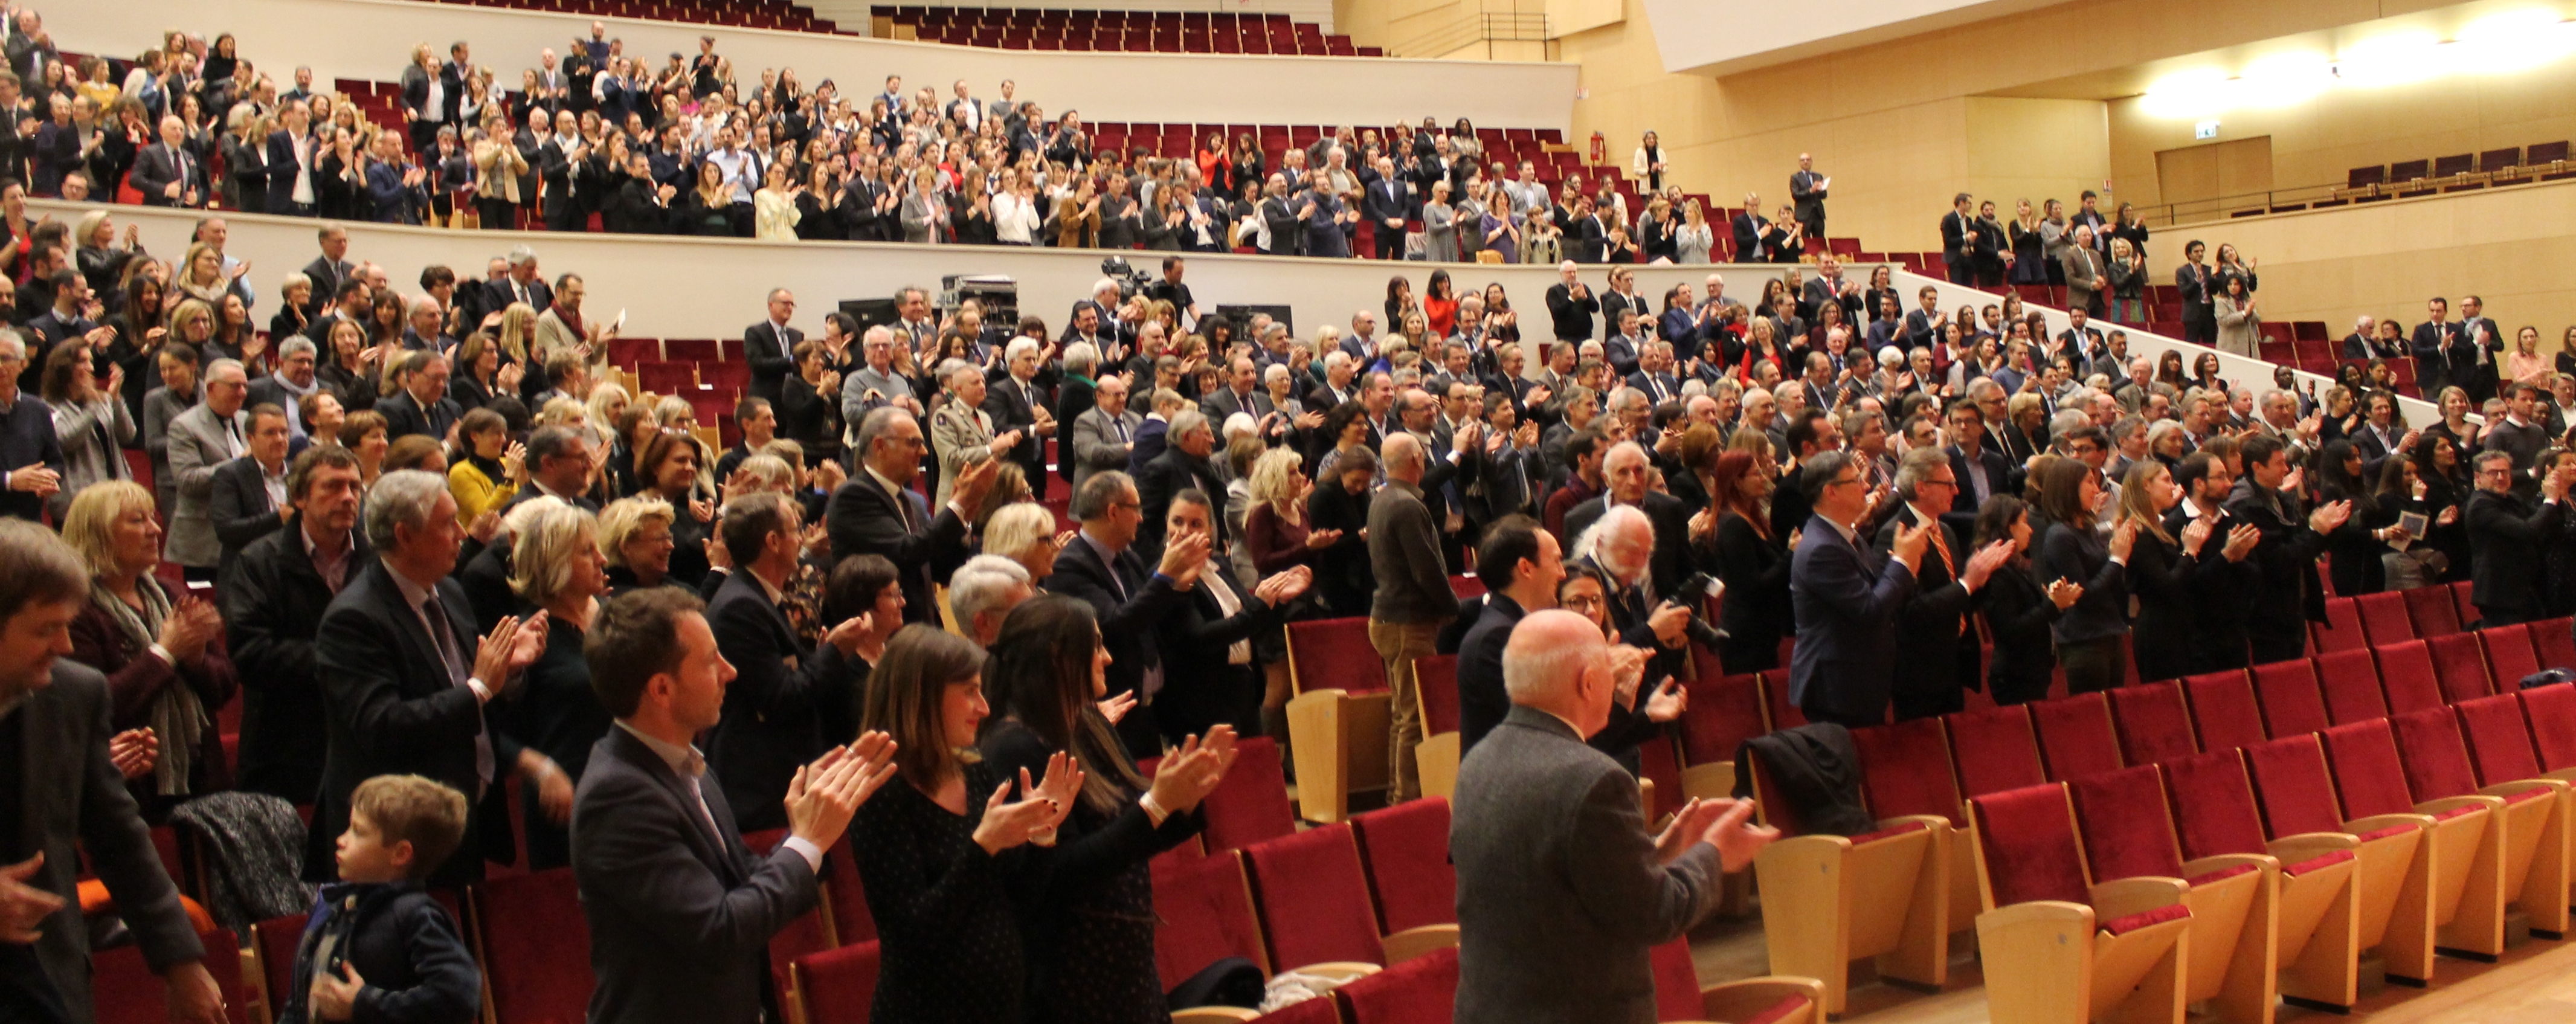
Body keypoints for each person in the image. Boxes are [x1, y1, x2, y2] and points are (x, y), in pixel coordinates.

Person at [573, 585, 898, 1024]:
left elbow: (743, 882)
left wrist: (803, 832)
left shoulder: (689, 765)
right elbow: (720, 929)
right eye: (712, 660)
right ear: (662, 688)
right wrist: (806, 842)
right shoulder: (617, 797)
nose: (730, 671)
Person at [1452, 608, 1777, 1024]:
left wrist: (1662, 852)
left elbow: (1562, 883)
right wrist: (1715, 852)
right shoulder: (1594, 779)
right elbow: (1657, 913)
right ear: (1588, 683)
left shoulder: (1480, 759)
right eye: (1609, 664)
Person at [0, 518, 231, 1024]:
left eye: (68, 623)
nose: (65, 646)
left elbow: (119, 836)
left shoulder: (73, 693)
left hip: (44, 983)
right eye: (45, 628)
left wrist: (181, 964)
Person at [979, 595, 1235, 1024]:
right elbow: (1058, 874)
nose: (1108, 656)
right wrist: (1158, 804)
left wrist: (1182, 800)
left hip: (1124, 961)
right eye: (1095, 645)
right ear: (1060, 657)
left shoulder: (1088, 722)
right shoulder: (1013, 746)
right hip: (1070, 973)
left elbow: (1130, 837)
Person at [308, 470, 556, 887]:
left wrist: (506, 670)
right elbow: (383, 725)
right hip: (394, 841)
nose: (462, 533)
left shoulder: (450, 592)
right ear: (405, 535)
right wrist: (478, 688)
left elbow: (477, 696)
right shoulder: (355, 618)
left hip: (457, 819)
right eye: (447, 523)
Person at [852, 625, 1077, 1024]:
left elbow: (1019, 900)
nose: (985, 707)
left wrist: (1044, 832)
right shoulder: (882, 793)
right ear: (923, 696)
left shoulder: (975, 772)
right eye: (969, 691)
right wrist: (982, 848)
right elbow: (913, 934)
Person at [60, 480, 237, 820]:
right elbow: (93, 704)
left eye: (153, 518)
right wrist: (165, 653)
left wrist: (196, 656)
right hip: (132, 786)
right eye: (137, 521)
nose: (155, 529)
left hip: (202, 774)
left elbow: (225, 685)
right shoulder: (76, 612)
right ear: (98, 534)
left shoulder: (171, 593)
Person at [708, 492, 873, 832]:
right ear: (773, 541)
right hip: (762, 786)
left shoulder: (758, 596)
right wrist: (834, 653)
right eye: (796, 531)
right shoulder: (742, 607)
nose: (803, 540)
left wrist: (821, 657)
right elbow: (782, 697)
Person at [275, 774, 481, 1024]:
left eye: (358, 832)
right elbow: (300, 999)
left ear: (400, 854)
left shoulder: (416, 915)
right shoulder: (333, 905)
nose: (341, 840)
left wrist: (364, 1003)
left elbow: (459, 996)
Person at [227, 445, 368, 803]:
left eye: (354, 487)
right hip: (286, 746)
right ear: (300, 498)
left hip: (363, 737)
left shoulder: (376, 561)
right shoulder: (259, 561)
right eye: (333, 487)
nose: (348, 497)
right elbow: (251, 653)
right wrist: (340, 659)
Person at [1047, 471, 1205, 754]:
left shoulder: (1127, 556)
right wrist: (1165, 576)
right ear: (1113, 512)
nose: (1142, 518)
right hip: (1114, 712)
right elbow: (1116, 625)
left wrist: (1179, 587)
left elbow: (1150, 617)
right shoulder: (1070, 566)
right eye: (1136, 509)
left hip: (1148, 710)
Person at [1152, 489, 1310, 743]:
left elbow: (1251, 621)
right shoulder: (1163, 577)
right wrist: (1260, 605)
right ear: (1166, 523)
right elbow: (1200, 637)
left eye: (1196, 524)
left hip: (1241, 690)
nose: (1184, 531)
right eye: (1177, 522)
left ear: (1209, 530)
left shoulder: (1220, 564)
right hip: (1199, 702)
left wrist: (1277, 600)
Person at [1788, 451, 1925, 727]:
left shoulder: (1847, 536)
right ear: (1831, 492)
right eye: (1856, 481)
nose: (1866, 486)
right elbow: (1869, 610)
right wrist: (1902, 562)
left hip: (1858, 682)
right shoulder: (1822, 549)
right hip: (1838, 690)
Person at [826, 408, 996, 623]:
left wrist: (965, 518)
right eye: (913, 443)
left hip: (924, 629)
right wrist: (958, 505)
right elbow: (905, 553)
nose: (924, 452)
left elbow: (939, 569)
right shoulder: (853, 496)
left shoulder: (914, 501)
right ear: (880, 446)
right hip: (880, 635)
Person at [1880, 449, 2012, 720]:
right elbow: (1911, 611)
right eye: (1949, 484)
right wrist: (1968, 582)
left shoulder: (1946, 530)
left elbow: (1961, 597)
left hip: (1952, 662)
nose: (1956, 491)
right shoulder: (1895, 535)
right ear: (1922, 488)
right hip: (1919, 672)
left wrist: (1982, 579)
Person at [1367, 433, 1455, 802]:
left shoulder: (1384, 499)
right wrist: (1453, 607)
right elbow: (1426, 570)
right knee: (1414, 717)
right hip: (1407, 620)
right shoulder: (1405, 505)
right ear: (1418, 460)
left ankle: (1396, 793)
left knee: (1402, 714)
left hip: (1391, 618)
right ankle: (1407, 801)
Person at [2226, 434, 2351, 663]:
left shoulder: (2277, 498)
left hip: (2291, 608)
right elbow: (2279, 560)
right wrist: (2316, 531)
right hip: (2266, 617)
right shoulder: (2246, 506)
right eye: (2279, 463)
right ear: (2257, 467)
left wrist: (2323, 528)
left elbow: (2304, 543)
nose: (2286, 469)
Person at [2030, 458, 2134, 694]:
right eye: (2089, 482)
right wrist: (2117, 558)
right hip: (2084, 640)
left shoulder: (2085, 528)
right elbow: (2083, 594)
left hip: (2108, 630)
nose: (2096, 489)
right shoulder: (2060, 535)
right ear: (2069, 488)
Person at [1969, 496, 2083, 703]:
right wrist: (2052, 604)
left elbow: (2034, 613)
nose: (2030, 530)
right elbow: (2011, 629)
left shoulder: (2017, 566)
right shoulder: (1998, 573)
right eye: (2023, 522)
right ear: (2007, 527)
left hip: (2032, 672)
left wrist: (2056, 600)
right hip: (2015, 676)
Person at [164, 358, 251, 580]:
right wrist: (240, 463)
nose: (242, 392)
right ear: (211, 388)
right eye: (235, 386)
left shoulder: (246, 420)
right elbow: (188, 480)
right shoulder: (184, 426)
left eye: (245, 386)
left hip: (245, 538)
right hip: (204, 544)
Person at [2465, 449, 2568, 626]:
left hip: (2526, 588)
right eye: (2493, 473)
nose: (2500, 477)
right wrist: (2550, 500)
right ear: (2478, 476)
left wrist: (2557, 497)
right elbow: (2527, 531)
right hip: (2500, 593)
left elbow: (2545, 523)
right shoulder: (2481, 505)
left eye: (2504, 472)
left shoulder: (2512, 498)